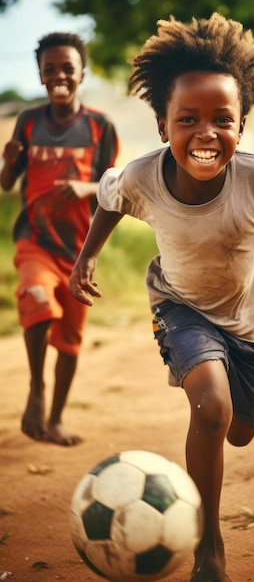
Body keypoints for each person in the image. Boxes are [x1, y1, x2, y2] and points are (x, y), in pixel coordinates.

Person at [69, 13, 254, 582]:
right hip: (180, 307)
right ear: (162, 126)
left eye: (222, 119)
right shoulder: (143, 176)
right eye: (188, 120)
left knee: (240, 427)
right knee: (211, 406)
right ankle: (209, 546)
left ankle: (228, 415)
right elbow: (109, 199)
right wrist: (87, 257)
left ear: (242, 125)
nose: (206, 133)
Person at [0, 32, 119, 446]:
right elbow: (7, 182)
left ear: (81, 73)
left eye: (67, 68)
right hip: (35, 239)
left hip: (79, 249)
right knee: (37, 298)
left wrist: (85, 189)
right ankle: (36, 389)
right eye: (50, 69)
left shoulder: (100, 125)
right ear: (40, 75)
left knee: (69, 340)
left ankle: (54, 420)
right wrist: (7, 162)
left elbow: (112, 187)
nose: (59, 75)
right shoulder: (29, 121)